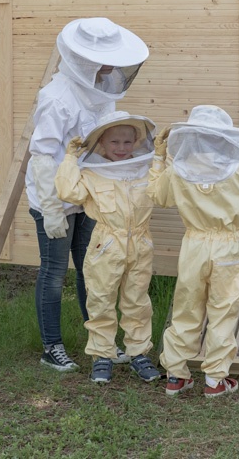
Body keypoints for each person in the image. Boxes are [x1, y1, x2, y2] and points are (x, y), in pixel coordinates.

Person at [26, 17, 149, 372]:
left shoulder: (101, 89)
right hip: (55, 200)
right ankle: (52, 346)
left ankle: (101, 343)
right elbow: (43, 154)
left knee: (92, 270)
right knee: (52, 273)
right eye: (103, 62)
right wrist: (51, 209)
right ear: (83, 60)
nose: (111, 69)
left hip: (89, 195)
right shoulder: (56, 98)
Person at [147, 105, 239, 398]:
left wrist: (158, 158)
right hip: (228, 247)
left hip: (193, 245)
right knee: (224, 310)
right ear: (224, 139)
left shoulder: (178, 173)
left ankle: (175, 375)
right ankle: (214, 381)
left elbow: (157, 195)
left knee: (187, 308)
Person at [55, 111, 161, 384]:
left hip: (140, 243)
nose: (122, 148)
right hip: (106, 244)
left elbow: (165, 190)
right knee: (100, 300)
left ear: (137, 142)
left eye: (127, 142)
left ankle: (139, 355)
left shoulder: (146, 168)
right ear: (101, 143)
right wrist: (69, 158)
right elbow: (68, 192)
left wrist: (162, 157)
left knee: (137, 301)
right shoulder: (92, 172)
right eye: (115, 142)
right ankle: (102, 356)